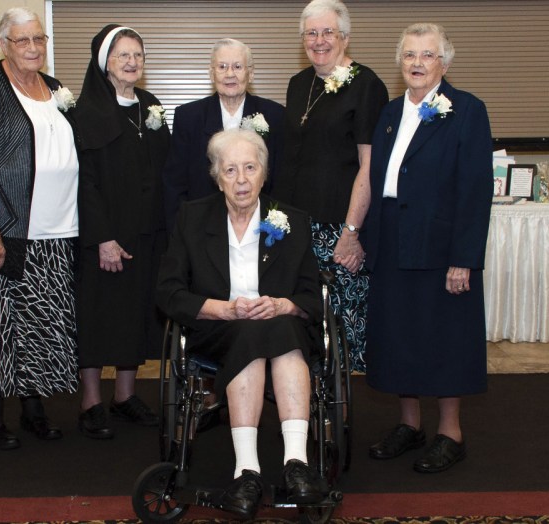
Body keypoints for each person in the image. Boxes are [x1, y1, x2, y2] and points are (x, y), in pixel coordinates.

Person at [157, 128, 323, 519]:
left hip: (283, 326)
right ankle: (247, 469)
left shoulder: (291, 221)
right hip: (218, 329)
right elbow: (168, 292)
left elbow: (312, 299)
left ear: (265, 173)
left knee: (278, 327)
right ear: (216, 176)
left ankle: (295, 463)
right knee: (251, 332)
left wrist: (284, 304)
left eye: (250, 167)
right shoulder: (192, 218)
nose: (242, 179)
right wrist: (223, 309)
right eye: (230, 170)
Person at [363, 23, 493, 473]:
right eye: (409, 56)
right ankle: (409, 426)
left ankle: (450, 433)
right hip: (392, 243)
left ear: (445, 62)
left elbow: (475, 191)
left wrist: (464, 257)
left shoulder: (468, 111)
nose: (417, 64)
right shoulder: (388, 113)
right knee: (400, 337)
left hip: (440, 247)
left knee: (445, 339)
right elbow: (377, 179)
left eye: (427, 55)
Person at [0, 7, 80, 450]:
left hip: (57, 231)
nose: (33, 48)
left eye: (39, 39)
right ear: (3, 45)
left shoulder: (56, 88)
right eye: (22, 40)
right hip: (5, 230)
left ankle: (34, 410)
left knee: (43, 324)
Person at [272, 0, 388, 372]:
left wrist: (352, 232)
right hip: (295, 225)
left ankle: (336, 417)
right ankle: (301, 408)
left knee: (341, 330)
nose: (319, 40)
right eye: (311, 33)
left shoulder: (366, 85)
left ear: (345, 37)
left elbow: (369, 166)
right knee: (298, 322)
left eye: (328, 32)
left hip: (338, 226)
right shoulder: (297, 84)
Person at [73, 24, 170, 439]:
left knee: (135, 316)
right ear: (104, 63)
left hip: (146, 233)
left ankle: (125, 396)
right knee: (98, 317)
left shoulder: (150, 104)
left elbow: (165, 168)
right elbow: (84, 181)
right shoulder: (87, 111)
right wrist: (103, 238)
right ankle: (92, 400)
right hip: (104, 237)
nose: (132, 62)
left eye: (138, 55)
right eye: (122, 55)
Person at [162, 38, 285, 231]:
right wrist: (181, 232)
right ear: (212, 74)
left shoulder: (274, 115)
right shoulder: (188, 117)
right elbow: (175, 184)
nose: (230, 74)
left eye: (237, 66)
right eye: (222, 67)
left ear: (250, 74)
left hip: (259, 226)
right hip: (201, 227)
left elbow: (281, 180)